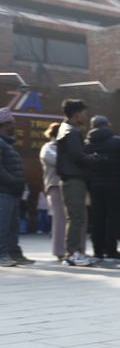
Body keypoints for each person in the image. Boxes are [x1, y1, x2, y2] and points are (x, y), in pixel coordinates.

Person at [55, 99, 95, 266]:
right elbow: (77, 156)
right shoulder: (71, 132)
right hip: (74, 179)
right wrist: (94, 158)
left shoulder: (65, 129)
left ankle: (75, 252)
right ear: (76, 113)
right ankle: (72, 254)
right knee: (76, 218)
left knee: (75, 217)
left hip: (71, 178)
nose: (86, 116)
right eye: (84, 113)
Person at [84, 114, 120, 261]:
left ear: (92, 127)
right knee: (114, 218)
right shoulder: (119, 142)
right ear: (108, 125)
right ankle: (111, 249)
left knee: (97, 218)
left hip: (94, 186)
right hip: (116, 185)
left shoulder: (86, 144)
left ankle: (98, 250)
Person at [0, 107, 32, 267]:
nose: (16, 126)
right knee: (3, 224)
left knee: (13, 225)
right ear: (5, 124)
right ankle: (2, 255)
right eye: (13, 123)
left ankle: (14, 253)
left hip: (11, 192)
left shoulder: (7, 144)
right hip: (3, 191)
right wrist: (13, 180)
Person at [39, 123, 65, 263]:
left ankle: (76, 249)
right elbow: (57, 162)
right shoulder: (48, 148)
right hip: (55, 185)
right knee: (60, 218)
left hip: (69, 185)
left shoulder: (66, 148)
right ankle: (60, 251)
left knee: (76, 218)